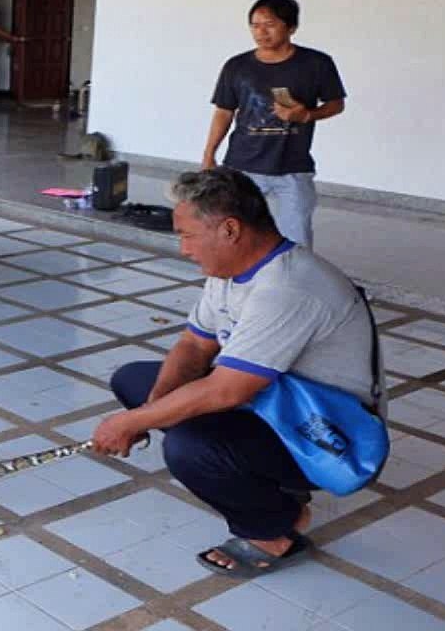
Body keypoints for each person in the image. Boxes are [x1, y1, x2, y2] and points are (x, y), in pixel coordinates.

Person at [92, 168, 378, 578]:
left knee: (189, 447)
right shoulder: (231, 273)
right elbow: (194, 345)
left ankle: (274, 528)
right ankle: (250, 472)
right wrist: (152, 409)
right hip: (271, 402)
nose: (183, 248)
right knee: (135, 381)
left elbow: (226, 391)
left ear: (229, 230)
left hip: (323, 431)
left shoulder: (289, 288)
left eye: (187, 235)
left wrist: (136, 421)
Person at [201, 0, 346, 248]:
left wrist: (308, 115)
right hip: (242, 166)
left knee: (296, 239)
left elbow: (336, 104)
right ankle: (237, 285)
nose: (260, 32)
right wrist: (209, 155)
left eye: (269, 24)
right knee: (235, 236)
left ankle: (292, 285)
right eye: (254, 25)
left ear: (291, 27)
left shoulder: (316, 63)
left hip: (292, 169)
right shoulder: (237, 66)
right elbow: (224, 111)